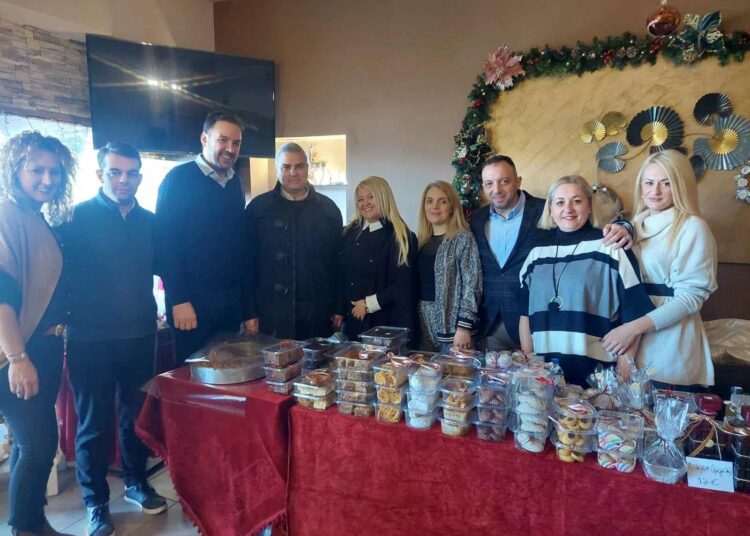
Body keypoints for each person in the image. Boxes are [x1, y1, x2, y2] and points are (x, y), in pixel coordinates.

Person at [61, 143, 166, 536]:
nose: (124, 179)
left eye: (131, 173)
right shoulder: (74, 218)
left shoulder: (150, 221)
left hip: (139, 334)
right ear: (99, 174)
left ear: (140, 176)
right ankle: (96, 502)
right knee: (93, 423)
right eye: (115, 172)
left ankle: (136, 482)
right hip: (89, 339)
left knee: (134, 416)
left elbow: (168, 267)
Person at [470, 155, 633, 351]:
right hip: (491, 324)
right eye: (489, 183)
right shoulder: (476, 220)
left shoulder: (548, 209)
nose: (496, 189)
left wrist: (624, 228)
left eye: (504, 181)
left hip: (541, 322)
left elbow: (577, 229)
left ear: (518, 181)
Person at [0, 131, 75, 536]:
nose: (48, 179)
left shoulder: (33, 215)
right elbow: (2, 298)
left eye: (55, 171)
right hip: (18, 351)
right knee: (39, 443)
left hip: (42, 346)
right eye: (37, 170)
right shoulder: (6, 216)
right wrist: (17, 358)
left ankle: (29, 523)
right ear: (16, 170)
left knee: (29, 444)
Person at [517, 175, 654, 386]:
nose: (568, 209)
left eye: (577, 201)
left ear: (589, 206)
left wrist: (624, 365)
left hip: (596, 374)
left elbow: (634, 312)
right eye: (560, 202)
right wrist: (529, 362)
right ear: (550, 209)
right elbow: (525, 315)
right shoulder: (536, 254)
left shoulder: (611, 247)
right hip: (544, 373)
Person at [601, 150, 718, 389]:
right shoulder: (631, 226)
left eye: (666, 183)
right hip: (624, 339)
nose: (655, 191)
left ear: (681, 186)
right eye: (649, 182)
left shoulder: (692, 227)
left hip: (670, 339)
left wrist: (632, 329)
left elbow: (690, 298)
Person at [155, 112, 251, 366]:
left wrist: (242, 307)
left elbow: (237, 246)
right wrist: (179, 300)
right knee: (193, 377)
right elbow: (165, 244)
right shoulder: (178, 179)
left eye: (236, 143)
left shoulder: (235, 183)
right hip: (192, 306)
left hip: (228, 306)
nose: (230, 149)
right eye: (223, 140)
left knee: (228, 373)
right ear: (204, 139)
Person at [245, 143, 342, 339]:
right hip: (270, 312)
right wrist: (249, 312)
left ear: (307, 168)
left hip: (317, 311)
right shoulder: (258, 209)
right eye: (286, 167)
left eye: (299, 166)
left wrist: (338, 306)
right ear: (277, 170)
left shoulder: (329, 210)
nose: (293, 172)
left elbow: (338, 264)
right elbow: (246, 265)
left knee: (316, 360)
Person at [335, 176, 418, 344]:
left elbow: (403, 284)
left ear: (384, 198)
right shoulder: (348, 233)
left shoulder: (402, 236)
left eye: (371, 197)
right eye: (360, 199)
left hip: (388, 322)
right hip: (353, 322)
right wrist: (339, 309)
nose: (365, 203)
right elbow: (340, 275)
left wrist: (368, 304)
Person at [416, 181, 481, 352]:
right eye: (429, 201)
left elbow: (472, 285)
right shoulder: (420, 242)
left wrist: (464, 327)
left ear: (452, 207)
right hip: (423, 328)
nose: (434, 206)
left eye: (442, 201)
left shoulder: (463, 239)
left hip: (454, 331)